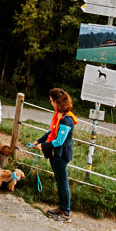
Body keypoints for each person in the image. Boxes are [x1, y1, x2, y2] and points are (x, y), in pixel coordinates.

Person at [34, 87, 79, 223]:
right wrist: (39, 140)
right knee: (59, 182)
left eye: (51, 100)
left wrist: (43, 146)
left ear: (56, 102)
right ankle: (62, 208)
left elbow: (59, 141)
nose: (50, 102)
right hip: (54, 154)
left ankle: (66, 213)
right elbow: (51, 132)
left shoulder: (67, 120)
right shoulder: (58, 114)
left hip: (60, 155)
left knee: (63, 183)